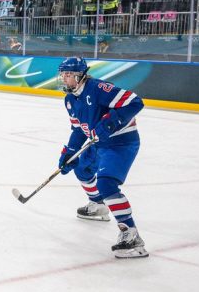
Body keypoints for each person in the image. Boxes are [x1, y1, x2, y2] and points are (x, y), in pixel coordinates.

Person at [56, 57, 147, 259]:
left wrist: (109, 124)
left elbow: (135, 102)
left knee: (107, 185)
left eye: (68, 75)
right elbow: (79, 129)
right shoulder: (70, 99)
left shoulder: (98, 88)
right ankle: (98, 205)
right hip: (98, 143)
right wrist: (69, 152)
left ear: (80, 76)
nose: (64, 79)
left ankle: (132, 236)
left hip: (121, 143)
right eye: (63, 75)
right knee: (81, 168)